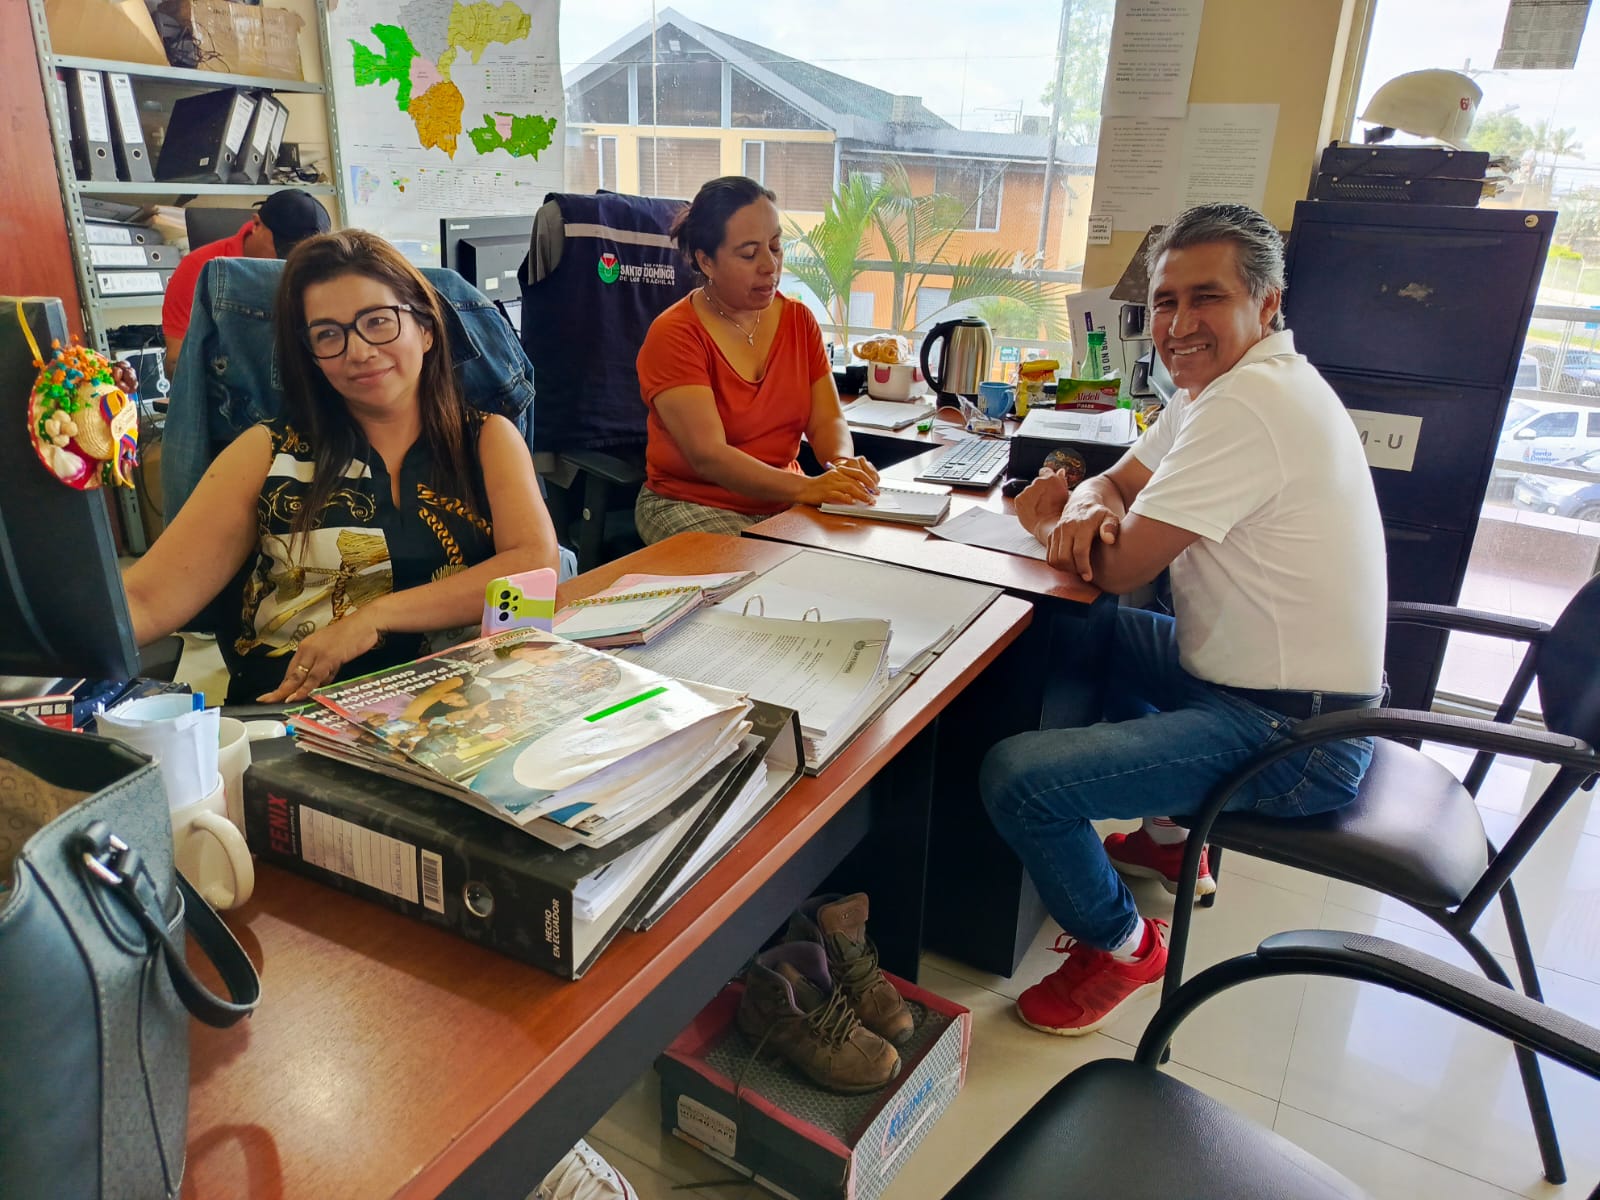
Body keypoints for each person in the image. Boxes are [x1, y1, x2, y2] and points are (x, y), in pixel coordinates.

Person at [982, 203, 1388, 1037]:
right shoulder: (1216, 390)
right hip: (1259, 680)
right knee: (1095, 633)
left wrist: (1052, 523)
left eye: (1207, 297)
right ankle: (1170, 838)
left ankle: (1125, 948)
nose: (1178, 324)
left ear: (1267, 304)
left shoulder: (1251, 405)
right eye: (1165, 302)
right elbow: (1116, 482)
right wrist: (1088, 506)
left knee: (1018, 779)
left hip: (1295, 736)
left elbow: (1122, 566)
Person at [125, 229, 560, 704]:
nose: (359, 351)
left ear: (427, 329)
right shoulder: (267, 451)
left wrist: (374, 617)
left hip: (456, 712)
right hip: (294, 716)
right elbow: (147, 600)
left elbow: (534, 565)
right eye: (328, 334)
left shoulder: (487, 439)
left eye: (378, 321)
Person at [633, 175, 880, 542]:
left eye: (776, 246)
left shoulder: (799, 321)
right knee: (762, 569)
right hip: (692, 502)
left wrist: (842, 465)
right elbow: (709, 456)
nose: (769, 265)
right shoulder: (675, 334)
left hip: (783, 498)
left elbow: (827, 419)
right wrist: (808, 488)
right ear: (706, 261)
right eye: (749, 254)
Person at [163, 189, 332, 370]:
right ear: (257, 224)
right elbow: (176, 362)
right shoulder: (198, 267)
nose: (290, 264)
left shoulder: (324, 269)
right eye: (285, 253)